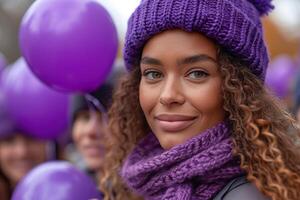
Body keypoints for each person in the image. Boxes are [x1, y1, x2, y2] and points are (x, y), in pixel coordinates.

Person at [99, 0, 300, 200]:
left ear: (240, 87)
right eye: (153, 74)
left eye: (196, 73)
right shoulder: (141, 184)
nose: (168, 95)